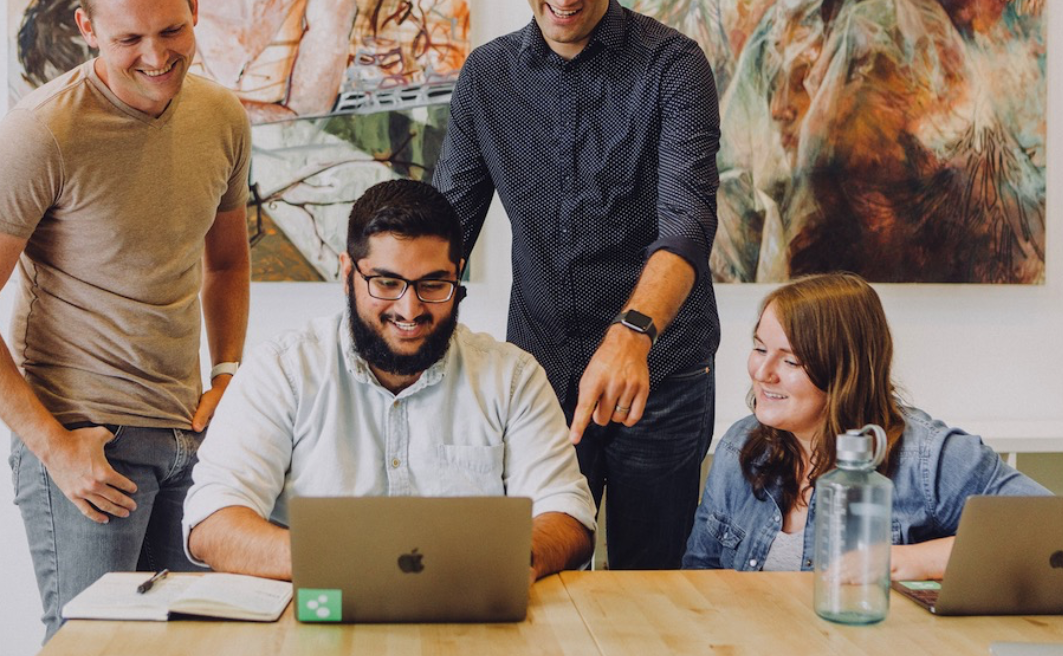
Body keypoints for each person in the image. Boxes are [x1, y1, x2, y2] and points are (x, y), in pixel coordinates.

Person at [183, 180, 595, 582]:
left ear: (458, 274)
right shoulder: (282, 372)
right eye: (387, 282)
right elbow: (212, 520)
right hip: (315, 622)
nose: (410, 309)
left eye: (434, 284)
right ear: (348, 273)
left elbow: (568, 513)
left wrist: (508, 560)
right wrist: (348, 564)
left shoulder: (512, 378)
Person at [433, 0, 721, 569]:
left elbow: (687, 221)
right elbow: (446, 226)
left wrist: (632, 333)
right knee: (535, 571)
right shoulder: (487, 76)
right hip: (541, 379)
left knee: (651, 585)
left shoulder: (673, 64)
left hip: (659, 374)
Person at [0, 0, 251, 640]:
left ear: (195, 10)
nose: (157, 56)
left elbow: (226, 265)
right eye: (129, 38)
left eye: (172, 30)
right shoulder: (42, 131)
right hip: (87, 440)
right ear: (87, 29)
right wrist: (54, 447)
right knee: (93, 645)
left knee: (189, 642)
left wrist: (226, 374)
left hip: (186, 436)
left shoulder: (221, 115)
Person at [682, 273, 1051, 578]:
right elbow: (700, 577)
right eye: (760, 349)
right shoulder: (740, 446)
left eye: (790, 361)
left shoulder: (928, 458)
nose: (762, 374)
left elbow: (1049, 534)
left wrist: (906, 561)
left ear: (845, 371)